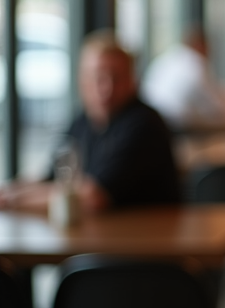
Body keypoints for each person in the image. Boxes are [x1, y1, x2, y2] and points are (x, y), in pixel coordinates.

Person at [0, 31, 180, 212]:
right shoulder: (83, 122)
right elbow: (53, 178)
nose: (107, 88)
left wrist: (12, 201)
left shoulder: (144, 125)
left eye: (116, 78)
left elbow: (93, 197)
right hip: (103, 236)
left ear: (133, 81)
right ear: (82, 80)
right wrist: (9, 190)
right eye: (98, 77)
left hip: (147, 237)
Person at [140, 26, 225, 129]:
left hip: (152, 121)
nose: (211, 52)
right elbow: (217, 107)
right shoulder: (196, 64)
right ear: (200, 45)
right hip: (177, 127)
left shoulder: (169, 57)